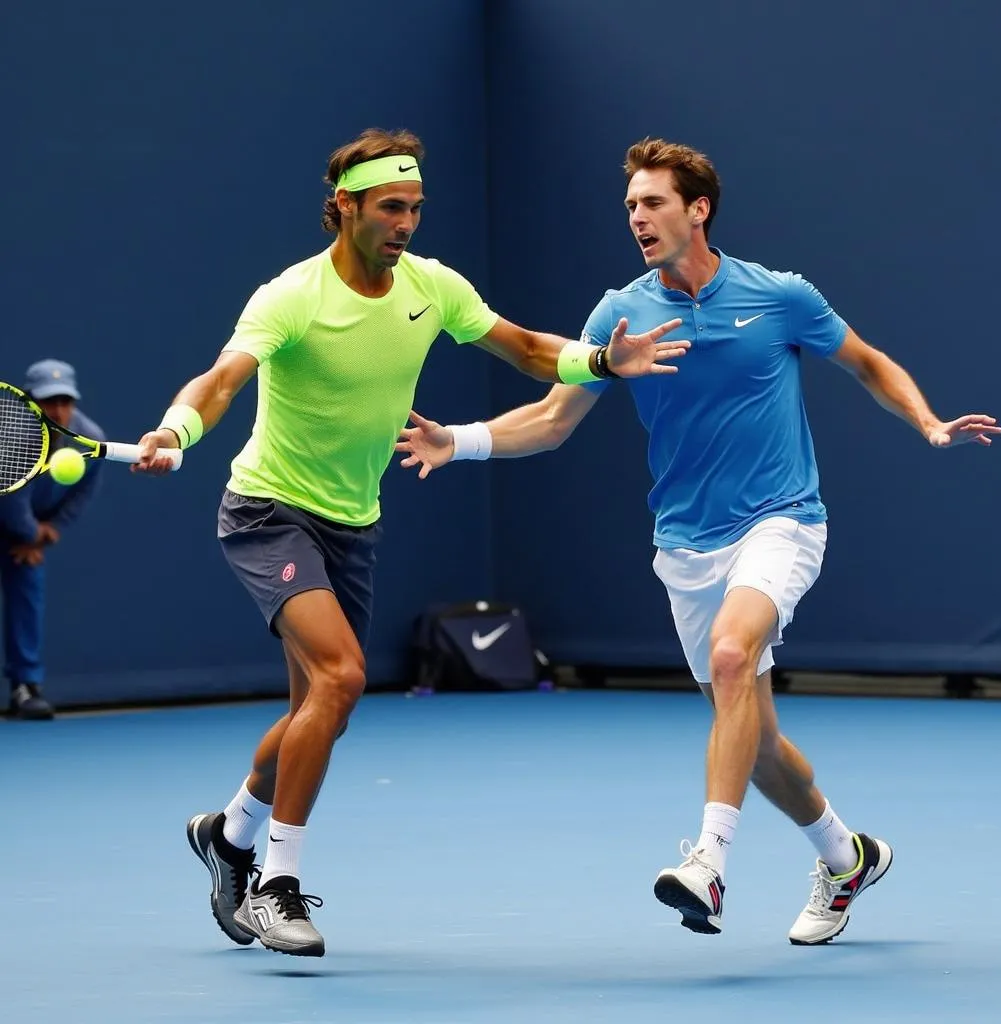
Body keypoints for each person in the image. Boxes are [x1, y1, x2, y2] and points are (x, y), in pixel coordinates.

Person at [395, 136, 1001, 945]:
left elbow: (865, 362)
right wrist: (459, 440)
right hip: (684, 544)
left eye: (652, 203)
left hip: (782, 520)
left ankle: (708, 865)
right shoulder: (619, 312)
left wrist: (926, 421)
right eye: (630, 207)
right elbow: (550, 418)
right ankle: (846, 856)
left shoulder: (781, 295)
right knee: (754, 741)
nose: (637, 218)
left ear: (698, 209)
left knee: (730, 658)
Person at [130, 127, 688, 958]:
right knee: (344, 677)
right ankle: (277, 883)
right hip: (267, 511)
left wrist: (604, 361)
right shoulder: (290, 296)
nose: (408, 223)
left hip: (352, 520)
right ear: (345, 207)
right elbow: (220, 381)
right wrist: (177, 429)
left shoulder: (431, 286)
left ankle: (230, 833)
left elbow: (529, 349)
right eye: (392, 207)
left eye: (417, 207)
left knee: (318, 710)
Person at [0, 359, 105, 721]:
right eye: (48, 401)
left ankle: (25, 686)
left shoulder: (91, 439)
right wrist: (33, 534)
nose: (58, 410)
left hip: (28, 534)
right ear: (29, 400)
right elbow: (11, 498)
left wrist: (49, 532)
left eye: (65, 400)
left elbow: (84, 492)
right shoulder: (11, 433)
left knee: (28, 595)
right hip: (17, 521)